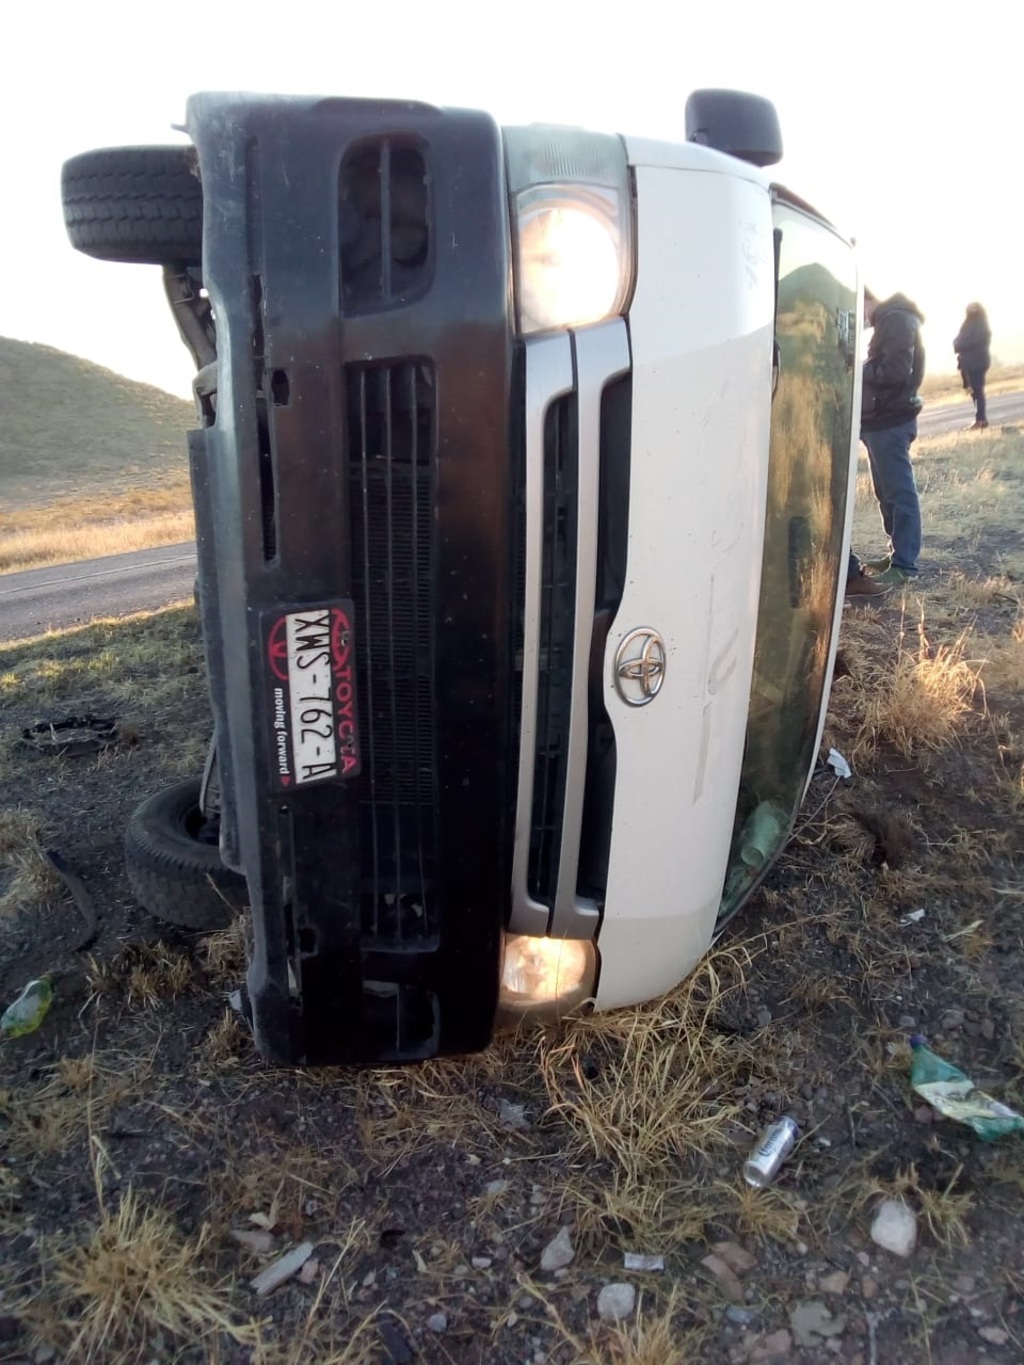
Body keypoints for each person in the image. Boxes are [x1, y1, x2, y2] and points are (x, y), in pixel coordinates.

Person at [860, 288, 926, 586]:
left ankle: (904, 565)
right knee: (885, 493)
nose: (859, 320)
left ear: (865, 299)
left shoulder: (896, 319)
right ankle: (897, 554)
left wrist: (858, 371)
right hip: (879, 421)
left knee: (899, 492)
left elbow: (896, 371)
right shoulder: (888, 321)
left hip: (891, 420)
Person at [953, 302, 992, 430]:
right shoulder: (966, 324)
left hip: (978, 363)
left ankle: (981, 420)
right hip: (966, 364)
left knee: (978, 390)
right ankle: (980, 418)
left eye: (974, 308)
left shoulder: (982, 323)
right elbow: (956, 341)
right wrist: (960, 345)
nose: (971, 311)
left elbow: (976, 341)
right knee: (972, 391)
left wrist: (961, 345)